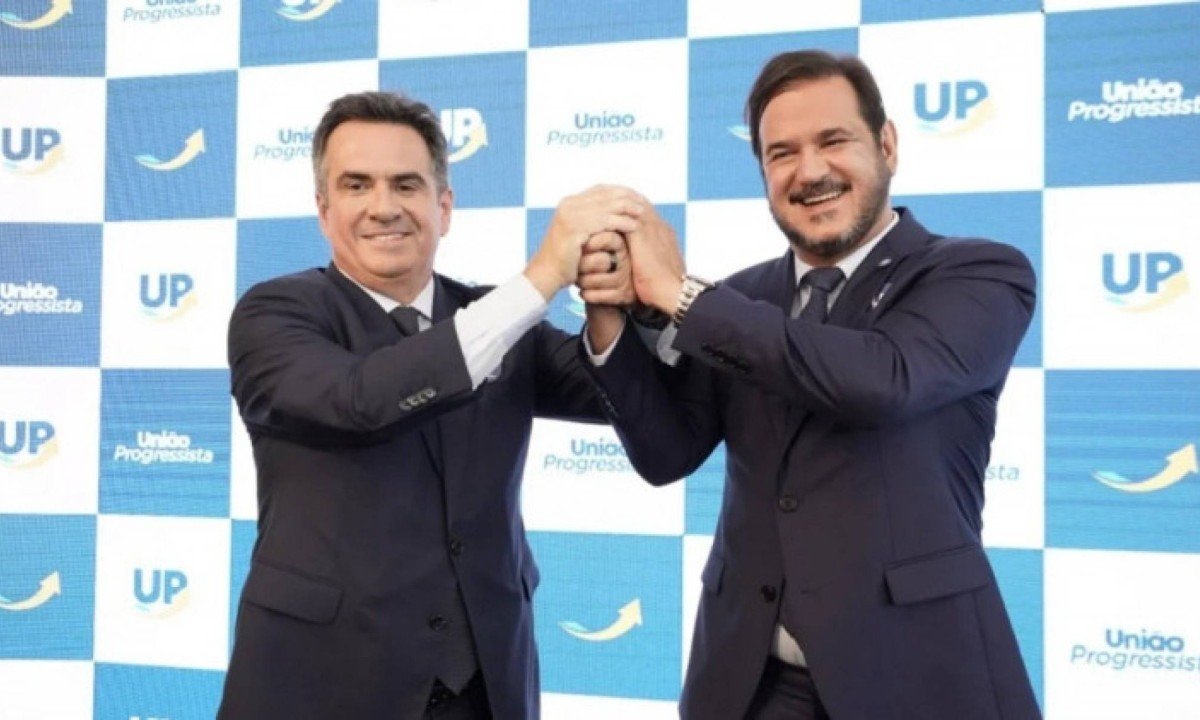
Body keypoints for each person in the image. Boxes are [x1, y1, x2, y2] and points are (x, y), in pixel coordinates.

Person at [579, 50, 1042, 719]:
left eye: (834, 140)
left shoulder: (979, 273)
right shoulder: (738, 299)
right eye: (782, 153)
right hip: (748, 684)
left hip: (916, 677)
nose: (811, 171)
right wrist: (611, 318)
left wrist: (680, 296)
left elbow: (881, 380)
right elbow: (666, 453)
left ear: (887, 145)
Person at [219, 91, 640, 720]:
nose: (384, 206)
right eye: (357, 185)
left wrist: (626, 302)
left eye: (406, 185)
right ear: (323, 210)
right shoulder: (273, 314)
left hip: (487, 686)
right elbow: (359, 399)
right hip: (321, 685)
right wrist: (540, 280)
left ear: (444, 208)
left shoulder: (499, 318)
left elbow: (621, 392)